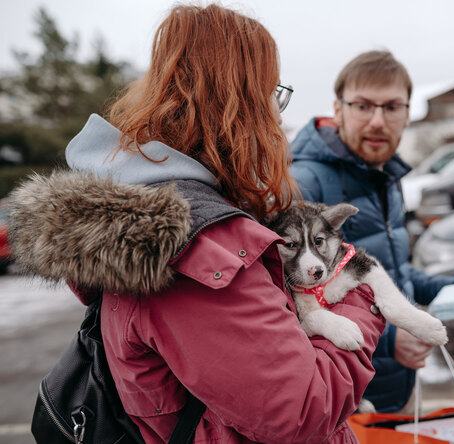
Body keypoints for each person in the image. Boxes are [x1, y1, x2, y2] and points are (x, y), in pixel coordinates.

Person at [8, 5, 385, 444]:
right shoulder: (196, 246)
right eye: (271, 92)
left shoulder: (161, 216)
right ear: (237, 103)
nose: (279, 115)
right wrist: (362, 297)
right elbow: (302, 411)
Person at [290, 50, 454, 414]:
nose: (378, 121)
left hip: (394, 386)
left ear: (408, 113)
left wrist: (451, 289)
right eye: (363, 106)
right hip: (345, 400)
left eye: (392, 107)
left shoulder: (384, 175)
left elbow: (391, 270)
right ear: (338, 108)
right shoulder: (304, 185)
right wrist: (392, 339)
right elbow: (292, 297)